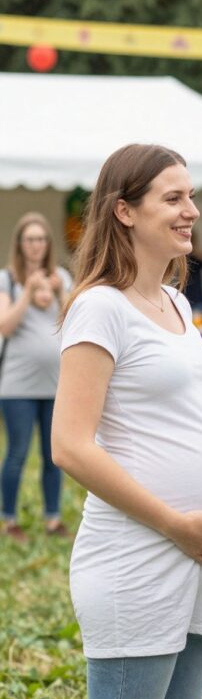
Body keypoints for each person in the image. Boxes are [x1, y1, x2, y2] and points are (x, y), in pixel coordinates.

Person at [51, 143, 202, 699]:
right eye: (173, 198)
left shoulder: (177, 302)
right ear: (125, 211)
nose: (191, 210)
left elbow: (191, 413)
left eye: (192, 196)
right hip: (139, 559)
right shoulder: (100, 307)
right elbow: (70, 446)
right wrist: (173, 522)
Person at [0, 212, 73, 540]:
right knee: (17, 452)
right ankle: (9, 518)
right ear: (20, 243)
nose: (35, 245)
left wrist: (58, 293)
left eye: (41, 239)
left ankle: (53, 518)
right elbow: (5, 326)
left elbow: (75, 322)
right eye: (29, 239)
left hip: (56, 383)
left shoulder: (60, 277)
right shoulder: (7, 280)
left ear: (48, 244)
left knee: (53, 454)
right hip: (17, 385)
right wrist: (28, 292)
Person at [182, 229, 202, 313]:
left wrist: (194, 250)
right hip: (182, 298)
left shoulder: (196, 257)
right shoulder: (179, 257)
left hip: (197, 300)